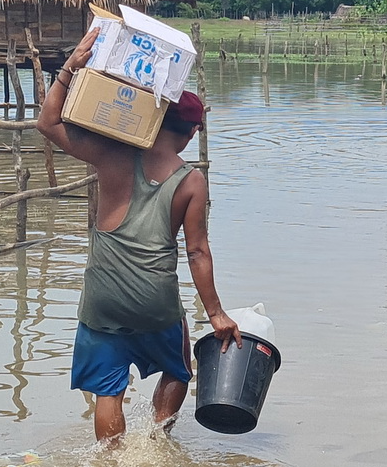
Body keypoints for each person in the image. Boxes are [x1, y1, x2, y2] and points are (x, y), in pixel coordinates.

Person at [37, 27, 243, 443]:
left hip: (103, 297)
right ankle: (156, 441)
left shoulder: (113, 153)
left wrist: (69, 70)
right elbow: (198, 252)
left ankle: (112, 458)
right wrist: (217, 314)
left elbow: (48, 122)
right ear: (191, 131)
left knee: (107, 391)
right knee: (179, 365)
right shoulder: (191, 180)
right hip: (155, 300)